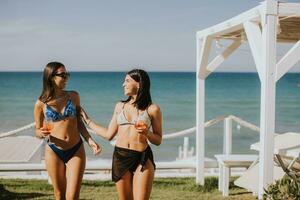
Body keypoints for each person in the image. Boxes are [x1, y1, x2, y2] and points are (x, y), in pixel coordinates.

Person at [81, 69, 162, 200]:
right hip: (121, 157)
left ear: (139, 84)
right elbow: (109, 135)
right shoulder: (120, 106)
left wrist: (147, 132)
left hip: (142, 158)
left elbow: (158, 140)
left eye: (127, 81)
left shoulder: (152, 109)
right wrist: (88, 120)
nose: (123, 84)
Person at [34, 61, 101, 200]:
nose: (66, 78)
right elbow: (37, 130)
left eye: (67, 74)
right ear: (51, 77)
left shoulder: (74, 96)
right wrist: (42, 133)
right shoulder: (41, 103)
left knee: (72, 196)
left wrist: (90, 141)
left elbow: (79, 123)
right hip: (53, 150)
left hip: (75, 149)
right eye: (62, 75)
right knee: (59, 194)